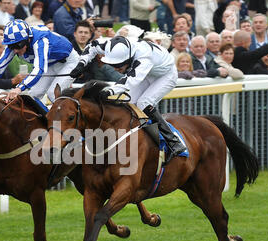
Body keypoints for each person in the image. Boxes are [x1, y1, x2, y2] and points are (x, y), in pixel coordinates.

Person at [69, 35, 187, 163]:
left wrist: (108, 92)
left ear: (129, 58)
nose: (115, 68)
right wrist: (81, 64)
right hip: (149, 72)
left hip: (166, 75)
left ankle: (173, 141)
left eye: (118, 65)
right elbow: (92, 46)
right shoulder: (110, 45)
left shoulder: (144, 58)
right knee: (129, 103)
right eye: (112, 64)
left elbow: (128, 83)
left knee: (144, 103)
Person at [0, 19, 79, 103]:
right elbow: (0, 64)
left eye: (18, 46)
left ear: (28, 39)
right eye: (11, 46)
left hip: (69, 62)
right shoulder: (15, 43)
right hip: (50, 63)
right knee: (34, 95)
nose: (15, 50)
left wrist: (19, 88)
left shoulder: (40, 41)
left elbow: (39, 69)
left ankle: (59, 124)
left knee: (52, 94)